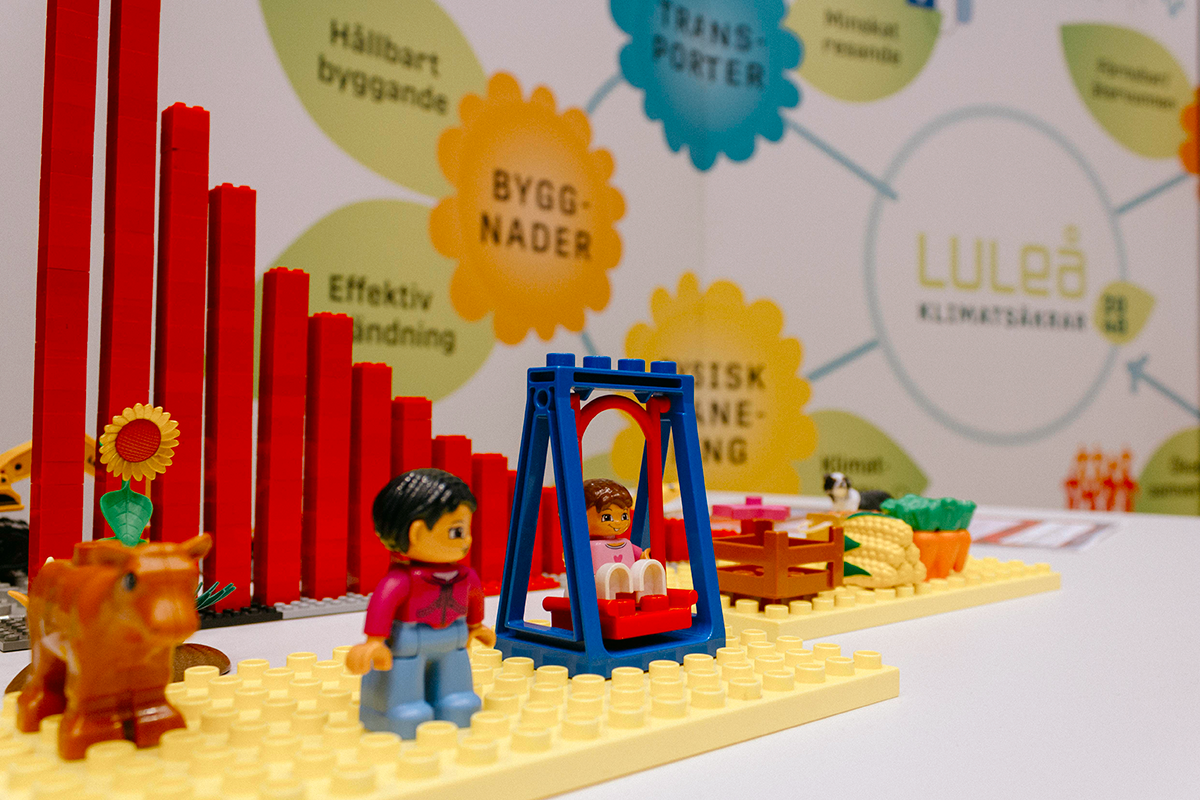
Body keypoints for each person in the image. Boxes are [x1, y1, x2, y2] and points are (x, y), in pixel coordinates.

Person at [346, 468, 495, 738]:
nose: (467, 540)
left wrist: (475, 626)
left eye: (467, 529)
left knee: (456, 686)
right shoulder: (401, 580)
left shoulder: (465, 575)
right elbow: (382, 605)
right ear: (415, 533)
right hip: (409, 642)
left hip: (454, 638)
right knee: (403, 681)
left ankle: (454, 699)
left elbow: (474, 598)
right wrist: (375, 641)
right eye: (457, 531)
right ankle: (401, 708)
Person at [582, 478, 664, 600]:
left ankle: (646, 596)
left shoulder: (625, 544)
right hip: (600, 589)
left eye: (624, 516)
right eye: (607, 517)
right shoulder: (588, 547)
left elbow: (638, 555)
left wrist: (646, 555)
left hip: (629, 586)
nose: (618, 522)